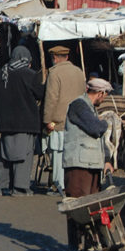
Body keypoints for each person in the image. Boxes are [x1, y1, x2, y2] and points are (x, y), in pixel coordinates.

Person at [62, 78, 113, 251]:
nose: (104, 99)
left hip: (92, 163)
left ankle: (90, 242)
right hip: (78, 164)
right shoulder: (78, 105)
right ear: (100, 93)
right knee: (76, 206)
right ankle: (74, 245)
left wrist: (106, 159)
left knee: (92, 208)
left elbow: (99, 138)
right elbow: (96, 128)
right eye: (105, 95)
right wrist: (105, 123)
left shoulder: (90, 108)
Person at [0, 46, 44, 196]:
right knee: (23, 155)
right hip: (25, 122)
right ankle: (19, 188)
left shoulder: (3, 72)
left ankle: (2, 186)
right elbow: (40, 94)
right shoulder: (30, 75)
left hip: (5, 123)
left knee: (5, 155)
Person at [43, 45, 86, 195]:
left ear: (54, 58)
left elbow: (51, 99)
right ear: (67, 57)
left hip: (59, 121)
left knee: (58, 155)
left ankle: (59, 185)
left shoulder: (54, 73)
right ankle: (72, 185)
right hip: (77, 121)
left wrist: (47, 120)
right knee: (73, 156)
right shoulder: (79, 72)